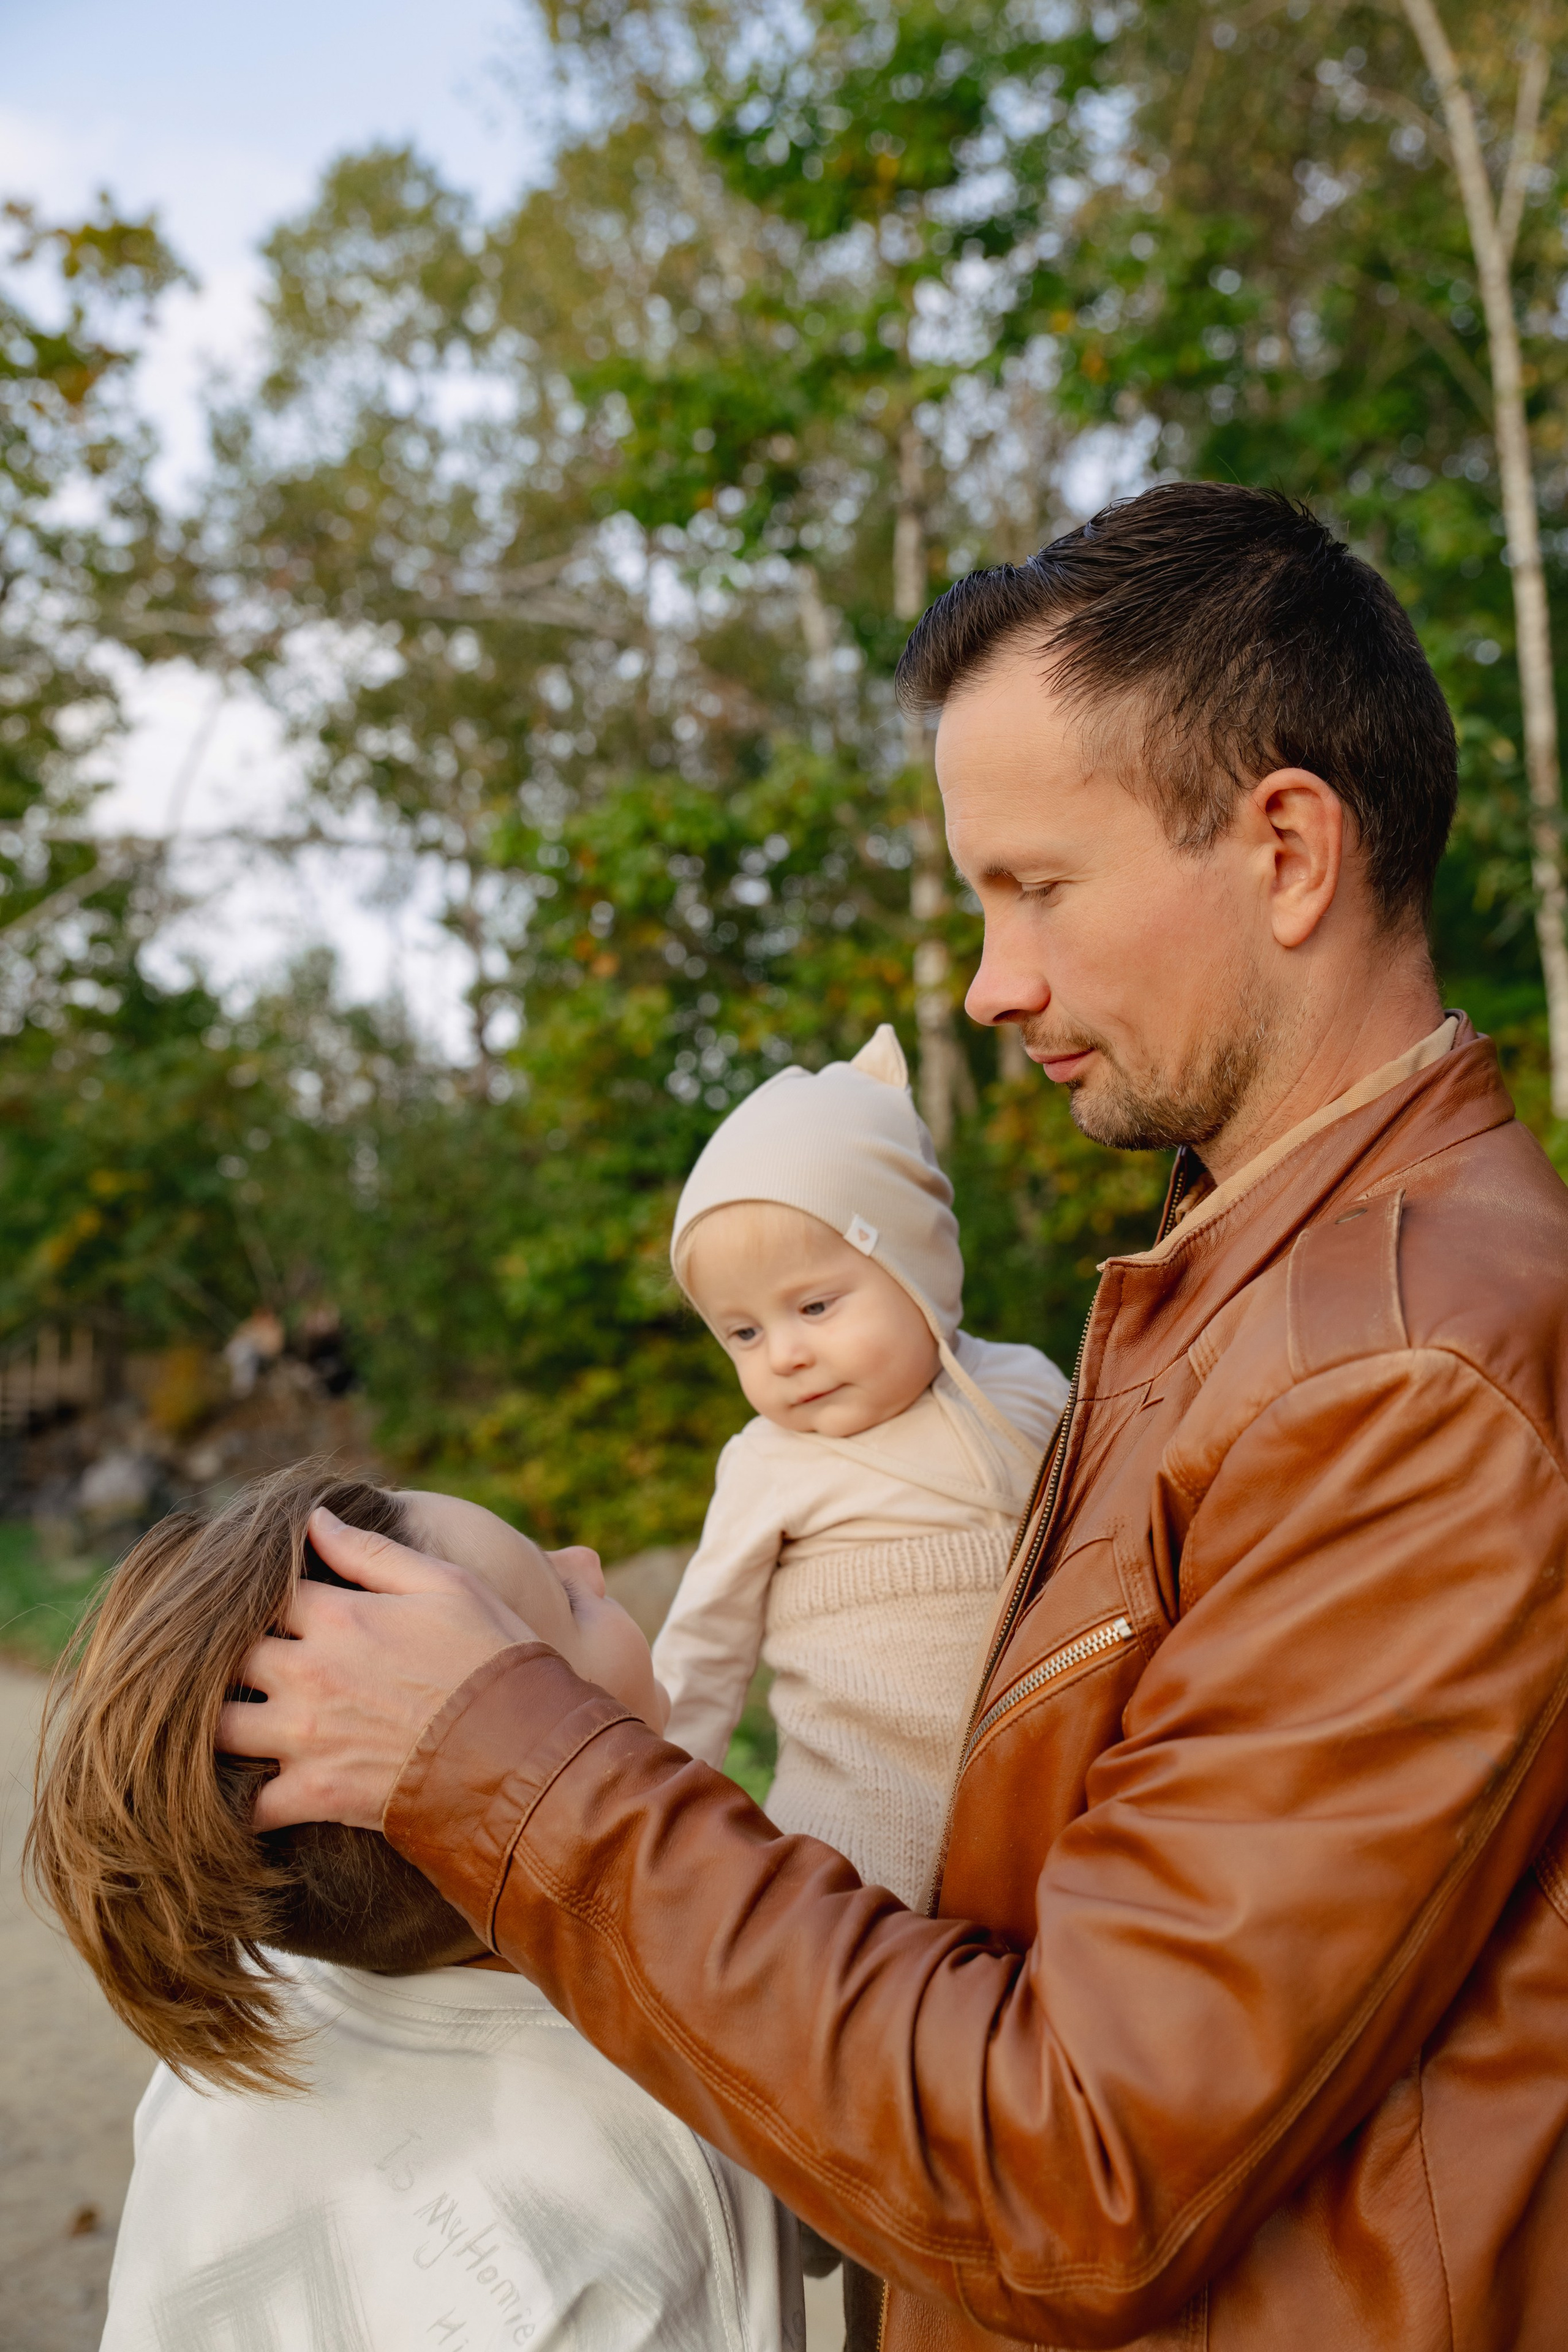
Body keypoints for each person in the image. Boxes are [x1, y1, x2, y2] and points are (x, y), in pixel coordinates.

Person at [216, 484, 1568, 2352]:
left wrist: (493, 1758)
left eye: (1036, 888)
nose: (990, 981)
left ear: (1284, 850)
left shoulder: (1401, 1379)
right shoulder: (1251, 1295)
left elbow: (1082, 2162)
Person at [28, 1465, 801, 2352]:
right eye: (566, 1601)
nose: (588, 1560)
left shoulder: (256, 2005)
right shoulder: (668, 2116)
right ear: (527, 1779)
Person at [655, 1020, 1068, 1907]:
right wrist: (654, 1829)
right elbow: (702, 1661)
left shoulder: (1028, 1392)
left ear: (918, 1268)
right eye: (745, 1332)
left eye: (814, 1304)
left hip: (1040, 1813)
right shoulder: (768, 1465)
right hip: (849, 1843)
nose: (786, 1355)